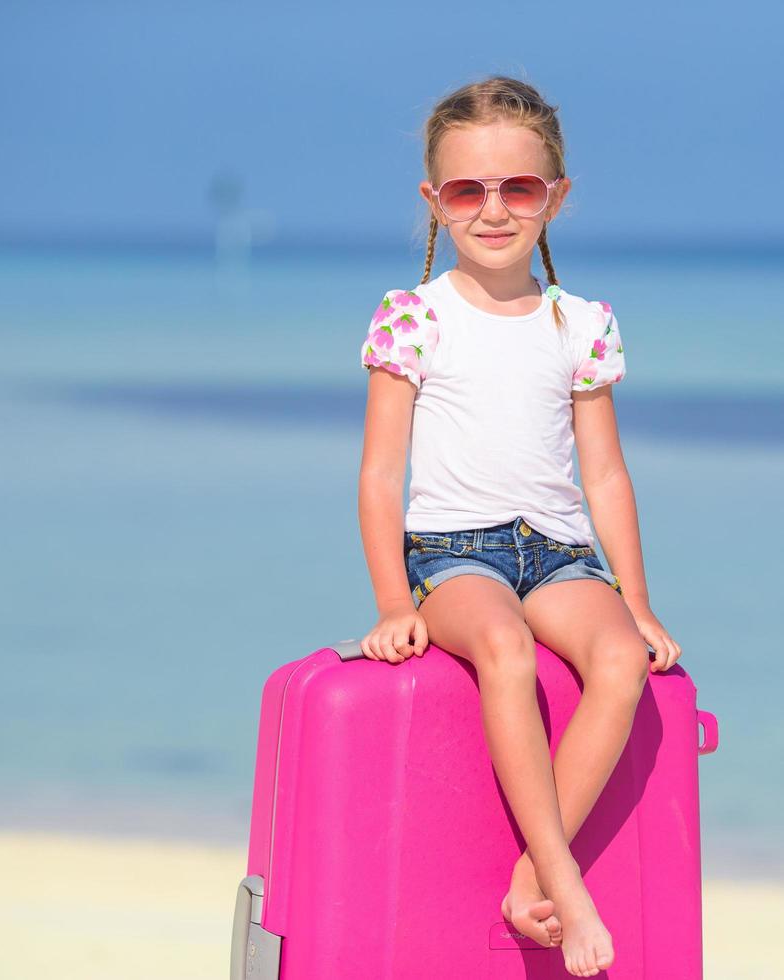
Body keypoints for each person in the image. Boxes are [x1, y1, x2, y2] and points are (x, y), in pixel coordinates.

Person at [357, 76, 682, 979]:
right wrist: (392, 599)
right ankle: (567, 884)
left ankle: (529, 872)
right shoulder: (413, 318)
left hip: (560, 549)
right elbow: (382, 474)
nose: (494, 209)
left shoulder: (582, 323)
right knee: (500, 647)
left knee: (618, 661)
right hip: (454, 552)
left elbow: (605, 475)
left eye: (519, 188)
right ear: (435, 200)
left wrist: (639, 601)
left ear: (556, 196)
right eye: (468, 189)